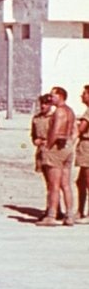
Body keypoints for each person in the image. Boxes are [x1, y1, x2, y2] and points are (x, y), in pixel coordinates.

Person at [37, 87, 76, 226]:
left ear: (60, 96)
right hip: (67, 148)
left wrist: (47, 147)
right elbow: (73, 131)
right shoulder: (70, 111)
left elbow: (55, 130)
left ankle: (51, 215)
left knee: (54, 185)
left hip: (56, 149)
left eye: (53, 95)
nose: (51, 98)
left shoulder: (59, 111)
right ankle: (70, 215)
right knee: (66, 184)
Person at [76, 85, 89, 222]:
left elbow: (81, 129)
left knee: (87, 180)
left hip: (87, 146)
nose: (82, 96)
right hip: (84, 145)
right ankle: (80, 211)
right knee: (81, 181)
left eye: (84, 93)